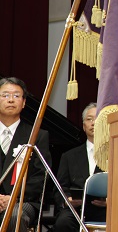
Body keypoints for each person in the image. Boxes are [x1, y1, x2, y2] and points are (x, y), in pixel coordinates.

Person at [0, 77, 52, 232]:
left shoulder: (36, 136)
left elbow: (42, 177)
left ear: (23, 103)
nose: (10, 100)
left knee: (14, 215)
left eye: (16, 96)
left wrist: (13, 197)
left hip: (24, 200)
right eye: (5, 95)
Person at [53, 102, 106, 231]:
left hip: (107, 208)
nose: (93, 123)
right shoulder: (69, 156)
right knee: (63, 222)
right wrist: (67, 200)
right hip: (77, 209)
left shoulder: (117, 152)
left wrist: (111, 201)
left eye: (98, 118)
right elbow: (60, 187)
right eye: (89, 119)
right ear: (83, 126)